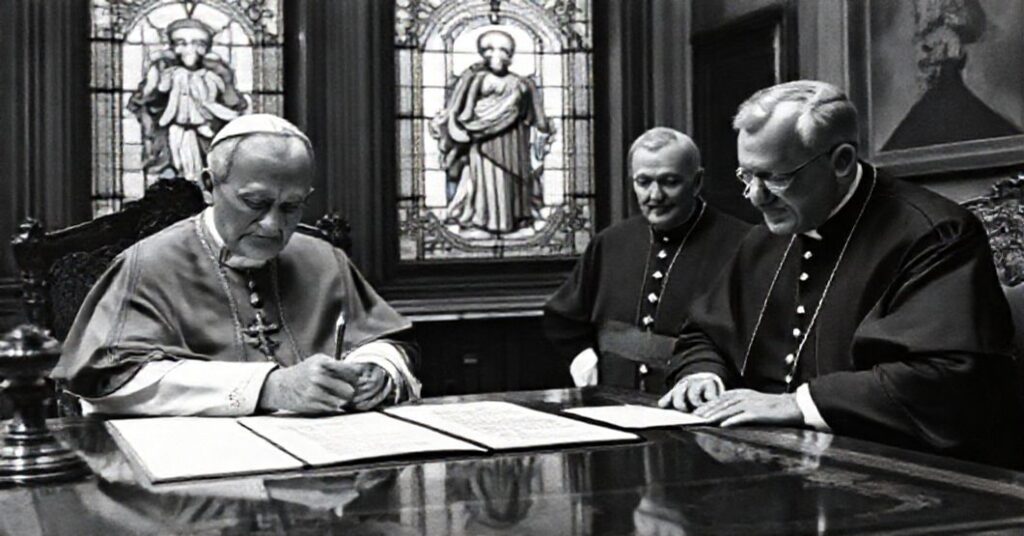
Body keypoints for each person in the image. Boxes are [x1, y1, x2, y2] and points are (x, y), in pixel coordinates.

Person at [658, 80, 1023, 468]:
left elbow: (950, 379)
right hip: (767, 462)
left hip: (896, 472)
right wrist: (701, 374)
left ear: (842, 162)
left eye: (775, 178)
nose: (755, 196)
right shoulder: (764, 239)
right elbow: (706, 332)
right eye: (746, 176)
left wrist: (799, 403)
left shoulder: (934, 234)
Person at [52, 114, 420, 416]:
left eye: (291, 207)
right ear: (210, 185)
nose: (274, 226)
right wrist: (267, 388)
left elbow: (383, 338)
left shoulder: (324, 258)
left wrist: (379, 369)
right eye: (256, 203)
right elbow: (110, 380)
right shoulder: (148, 264)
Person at [544, 128, 749, 393]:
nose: (654, 196)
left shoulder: (744, 244)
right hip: (613, 403)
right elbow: (562, 318)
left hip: (698, 409)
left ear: (697, 182)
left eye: (669, 181)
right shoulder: (610, 242)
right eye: (643, 182)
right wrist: (584, 358)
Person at [430, 29, 553, 234]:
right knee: (486, 180)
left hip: (514, 141)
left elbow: (537, 118)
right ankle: (485, 219)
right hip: (483, 142)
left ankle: (516, 217)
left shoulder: (523, 83)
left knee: (513, 179)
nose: (494, 54)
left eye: (502, 49)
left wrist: (542, 138)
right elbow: (465, 112)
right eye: (488, 49)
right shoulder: (475, 79)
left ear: (510, 54)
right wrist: (467, 128)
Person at [128, 18, 247, 183]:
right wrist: (157, 84)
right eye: (181, 43)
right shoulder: (166, 72)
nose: (189, 49)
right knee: (172, 177)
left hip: (205, 135)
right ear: (173, 47)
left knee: (204, 177)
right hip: (172, 134)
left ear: (205, 48)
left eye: (197, 43)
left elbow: (233, 107)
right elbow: (146, 104)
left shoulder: (214, 75)